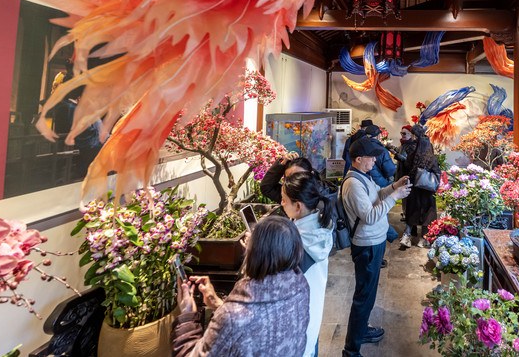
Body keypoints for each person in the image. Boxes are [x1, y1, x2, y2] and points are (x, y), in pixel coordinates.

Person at [173, 215, 310, 357]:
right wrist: (219, 304)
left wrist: (187, 315)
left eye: (248, 248)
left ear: (254, 255)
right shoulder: (301, 287)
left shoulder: (232, 317)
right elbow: (262, 323)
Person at [341, 138, 411, 357]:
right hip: (367, 245)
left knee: (368, 295)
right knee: (363, 297)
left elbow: (377, 196)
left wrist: (393, 187)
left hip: (374, 242)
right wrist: (395, 197)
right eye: (372, 157)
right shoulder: (352, 184)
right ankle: (351, 349)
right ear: (359, 159)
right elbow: (370, 216)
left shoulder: (363, 176)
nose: (375, 160)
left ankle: (362, 331)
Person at [262, 166, 334, 357]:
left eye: (284, 199)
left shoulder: (298, 243)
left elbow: (276, 284)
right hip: (311, 317)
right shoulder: (318, 226)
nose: (281, 202)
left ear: (298, 206)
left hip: (296, 328)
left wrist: (256, 251)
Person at [51, 78, 104, 179]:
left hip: (71, 145)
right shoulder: (71, 108)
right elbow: (86, 135)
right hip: (77, 148)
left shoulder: (65, 105)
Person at [400, 124, 439, 249]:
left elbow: (407, 165)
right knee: (427, 211)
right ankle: (423, 238)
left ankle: (407, 236)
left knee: (412, 210)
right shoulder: (430, 151)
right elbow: (436, 169)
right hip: (427, 188)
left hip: (414, 186)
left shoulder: (412, 149)